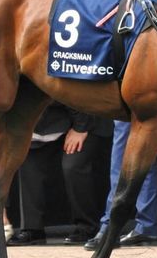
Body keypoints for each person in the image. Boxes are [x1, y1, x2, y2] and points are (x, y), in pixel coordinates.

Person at [84, 0, 157, 250]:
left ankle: (127, 224)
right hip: (121, 69)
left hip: (136, 71)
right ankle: (131, 223)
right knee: (128, 146)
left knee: (128, 146)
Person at [7, 103, 113, 245]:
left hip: (85, 117)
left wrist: (80, 128)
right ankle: (32, 230)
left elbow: (75, 93)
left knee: (73, 165)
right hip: (43, 122)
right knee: (28, 163)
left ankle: (87, 227)